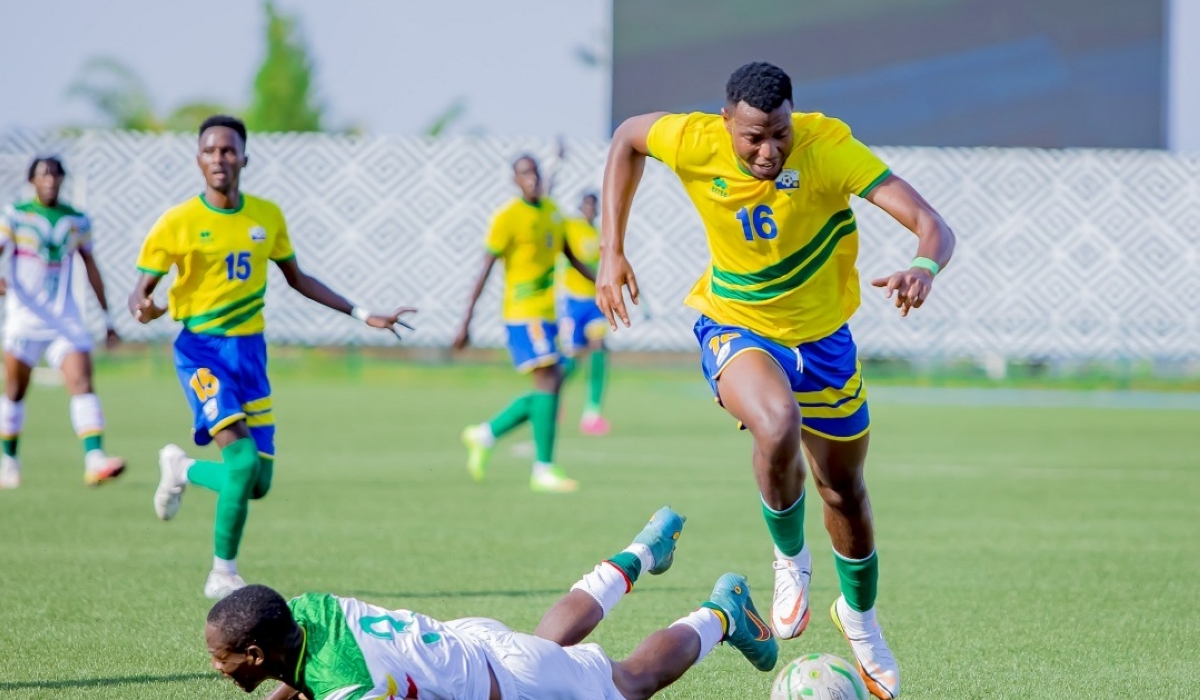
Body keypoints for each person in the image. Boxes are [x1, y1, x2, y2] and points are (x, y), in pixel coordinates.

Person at [595, 62, 957, 699]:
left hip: (823, 343)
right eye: (754, 137)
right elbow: (627, 136)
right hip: (735, 324)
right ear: (726, 122)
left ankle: (861, 620)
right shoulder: (694, 139)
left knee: (844, 491)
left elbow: (933, 223)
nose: (769, 150)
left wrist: (923, 266)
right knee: (776, 422)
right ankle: (790, 561)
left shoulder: (827, 147)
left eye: (781, 134)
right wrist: (611, 250)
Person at [129, 115, 415, 600]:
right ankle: (223, 572)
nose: (220, 158)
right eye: (210, 150)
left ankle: (183, 470)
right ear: (198, 159)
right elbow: (141, 293)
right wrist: (144, 306)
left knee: (257, 482)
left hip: (250, 356)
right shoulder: (177, 222)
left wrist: (363, 313)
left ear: (244, 157)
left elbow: (298, 279)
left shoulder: (266, 216)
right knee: (240, 462)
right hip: (201, 352)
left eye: (228, 150)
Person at [205, 507, 779, 700]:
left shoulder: (353, 685)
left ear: (255, 653)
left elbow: (336, 682)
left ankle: (723, 613)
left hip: (505, 680)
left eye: (222, 657)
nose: (216, 665)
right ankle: (640, 551)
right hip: (468, 644)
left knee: (629, 684)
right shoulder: (301, 611)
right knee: (542, 647)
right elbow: (303, 672)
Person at [453, 155, 594, 493]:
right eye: (523, 174)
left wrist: (603, 283)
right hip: (521, 313)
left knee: (553, 382)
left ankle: (485, 434)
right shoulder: (507, 217)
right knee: (549, 379)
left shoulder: (553, 213)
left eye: (534, 172)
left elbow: (571, 258)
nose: (530, 179)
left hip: (547, 315)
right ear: (515, 181)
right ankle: (543, 469)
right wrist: (466, 321)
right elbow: (485, 268)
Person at [0, 156, 125, 489]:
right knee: (14, 390)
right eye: (44, 175)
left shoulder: (77, 220)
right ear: (32, 180)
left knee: (82, 381)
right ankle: (9, 461)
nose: (50, 181)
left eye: (56, 175)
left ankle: (95, 459)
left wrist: (107, 318)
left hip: (64, 320)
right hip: (23, 320)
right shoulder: (15, 215)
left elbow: (91, 266)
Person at [558, 192, 611, 436]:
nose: (590, 210)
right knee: (573, 359)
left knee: (599, 350)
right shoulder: (570, 226)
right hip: (573, 302)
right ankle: (553, 394)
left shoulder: (599, 234)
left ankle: (592, 413)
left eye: (594, 206)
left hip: (594, 302)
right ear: (580, 207)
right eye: (586, 205)